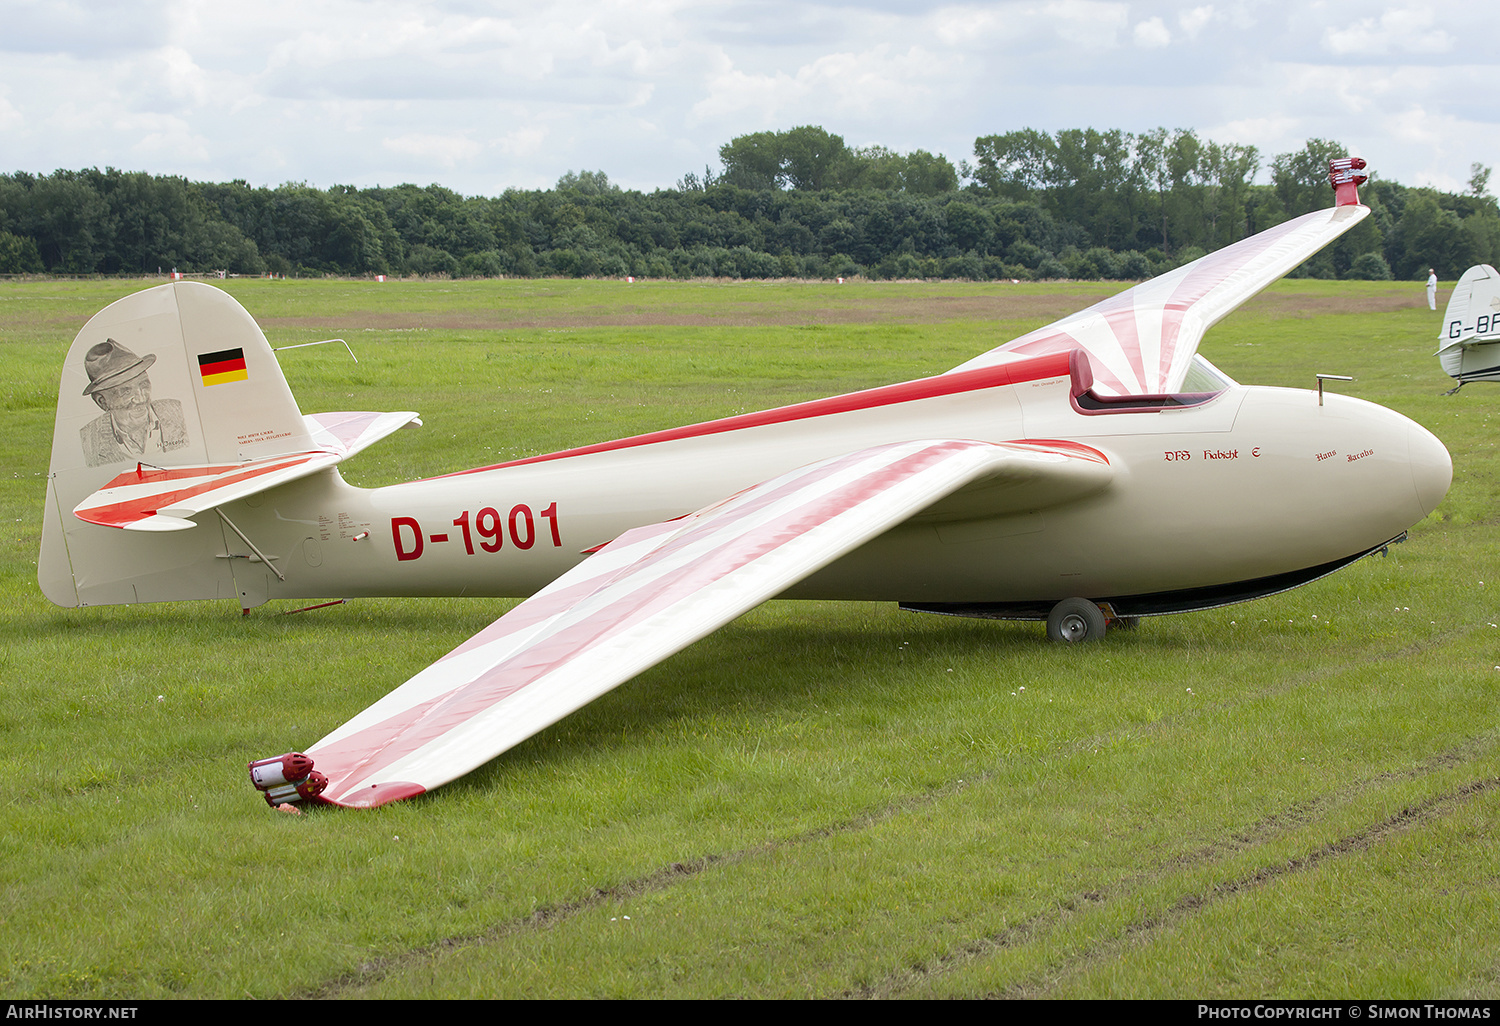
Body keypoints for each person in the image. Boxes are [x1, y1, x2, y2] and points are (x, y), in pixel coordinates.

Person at [78, 339, 189, 467]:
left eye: (143, 384)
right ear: (102, 402)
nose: (140, 398)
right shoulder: (89, 441)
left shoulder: (177, 412)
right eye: (126, 391)